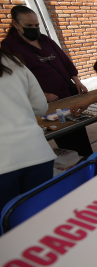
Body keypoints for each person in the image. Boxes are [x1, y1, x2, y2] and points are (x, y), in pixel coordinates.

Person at [1, 6, 92, 156]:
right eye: (29, 26)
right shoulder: (9, 46)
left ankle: (89, 159)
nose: (34, 29)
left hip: (66, 93)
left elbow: (64, 61)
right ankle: (76, 166)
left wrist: (77, 81)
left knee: (79, 130)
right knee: (64, 136)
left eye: (36, 25)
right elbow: (18, 76)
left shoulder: (44, 39)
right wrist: (41, 95)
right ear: (16, 24)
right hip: (48, 102)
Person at [0, 48, 57, 212]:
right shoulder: (12, 61)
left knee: (8, 224)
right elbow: (40, 107)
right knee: (40, 212)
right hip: (36, 151)